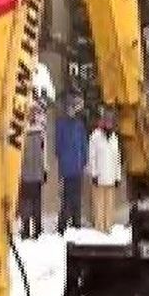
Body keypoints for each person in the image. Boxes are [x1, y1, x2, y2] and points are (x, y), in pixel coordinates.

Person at [55, 94, 89, 233]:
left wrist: (84, 160)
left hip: (78, 165)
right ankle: (62, 224)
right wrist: (63, 161)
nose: (73, 110)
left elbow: (83, 144)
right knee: (67, 197)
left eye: (75, 108)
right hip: (67, 166)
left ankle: (76, 222)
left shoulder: (79, 125)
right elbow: (58, 146)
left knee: (77, 196)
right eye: (71, 107)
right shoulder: (61, 124)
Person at [18, 92, 49, 240]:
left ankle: (35, 229)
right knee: (27, 203)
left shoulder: (39, 133)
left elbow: (44, 153)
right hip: (26, 172)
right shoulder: (23, 133)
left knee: (33, 203)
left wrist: (45, 169)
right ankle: (27, 229)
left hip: (34, 172)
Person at [87, 108, 122, 233]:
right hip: (99, 175)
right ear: (101, 122)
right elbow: (92, 156)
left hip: (111, 176)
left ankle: (108, 226)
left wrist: (118, 176)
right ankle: (99, 227)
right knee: (99, 204)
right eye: (106, 121)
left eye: (110, 121)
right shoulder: (95, 136)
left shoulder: (114, 137)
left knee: (109, 204)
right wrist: (94, 174)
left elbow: (117, 157)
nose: (108, 123)